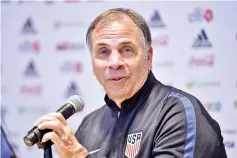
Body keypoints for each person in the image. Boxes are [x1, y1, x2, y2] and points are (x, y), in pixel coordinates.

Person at [34, 8, 227, 158]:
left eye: (126, 49)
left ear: (148, 57)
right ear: (92, 63)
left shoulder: (178, 114)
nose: (114, 62)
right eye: (103, 52)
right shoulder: (89, 124)